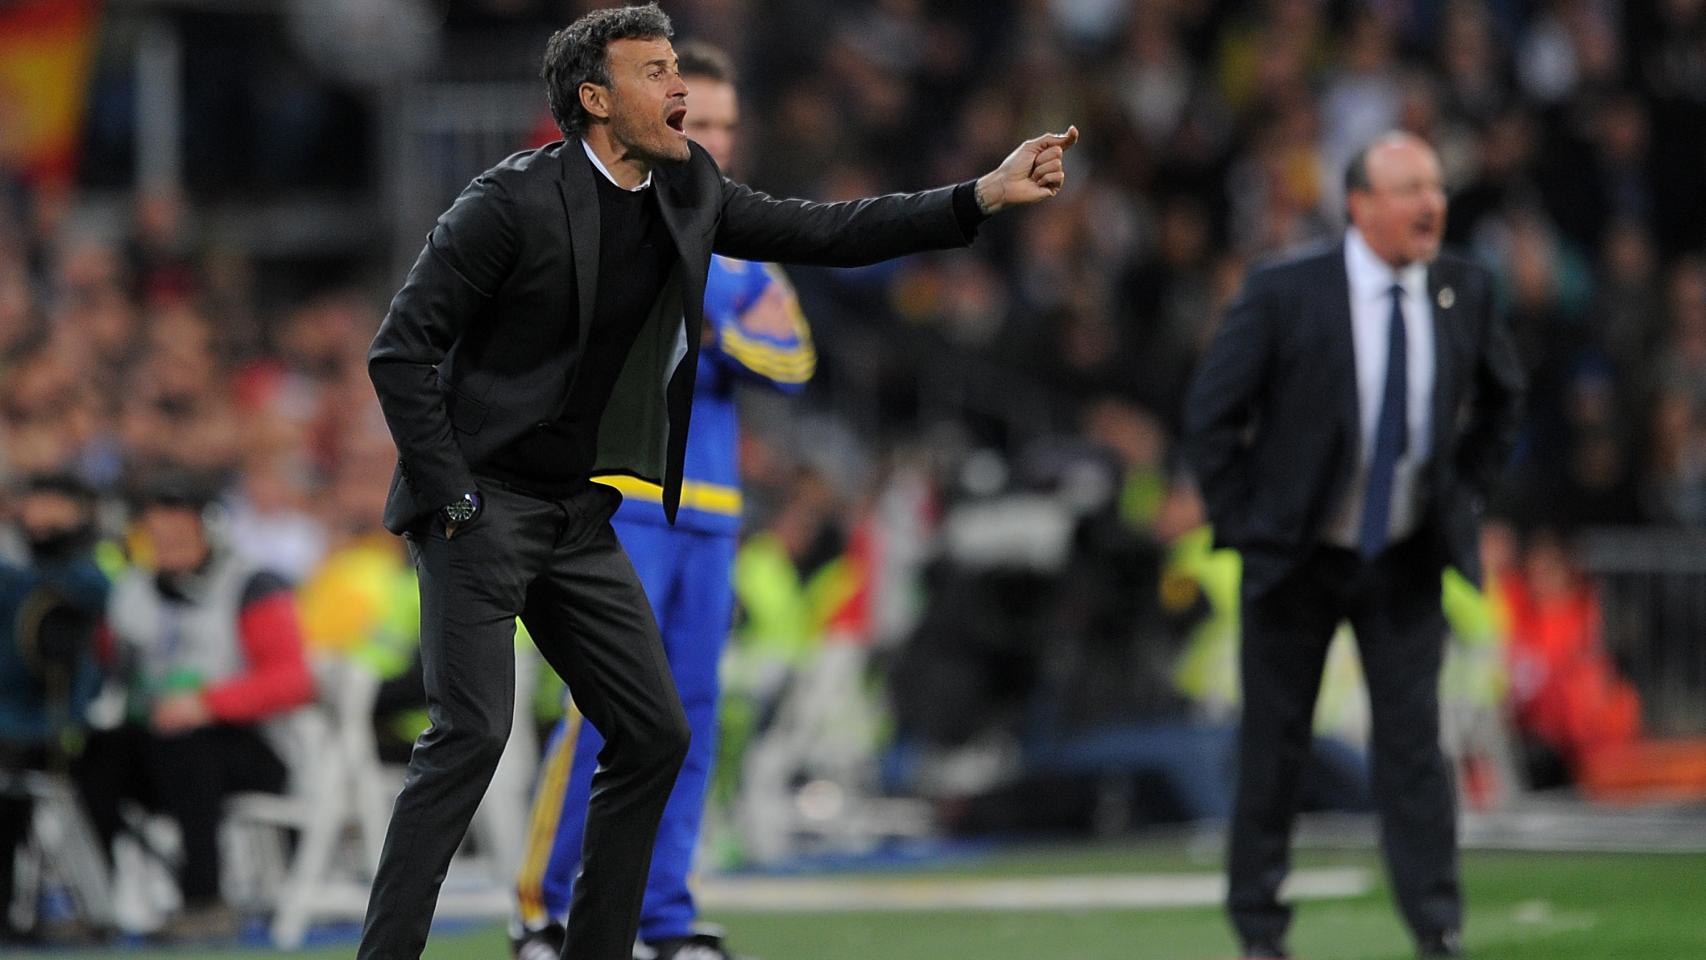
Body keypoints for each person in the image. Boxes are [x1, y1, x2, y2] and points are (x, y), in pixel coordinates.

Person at [359, 4, 1078, 958]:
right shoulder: (506, 202)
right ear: (596, 98)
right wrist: (455, 497)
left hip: (576, 514)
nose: (679, 86)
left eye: (674, 67)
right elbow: (399, 353)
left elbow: (825, 232)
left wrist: (977, 196)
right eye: (654, 71)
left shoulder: (687, 186)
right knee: (471, 739)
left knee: (655, 731)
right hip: (480, 508)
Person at [1184, 131, 1524, 960]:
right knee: (1275, 749)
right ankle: (1260, 932)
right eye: (1409, 188)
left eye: (1436, 186)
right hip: (1299, 559)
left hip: (1403, 555)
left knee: (1413, 751)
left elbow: (1503, 401)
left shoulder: (1463, 290)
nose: (1431, 204)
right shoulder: (1285, 291)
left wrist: (1458, 494)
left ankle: (1436, 928)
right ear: (1360, 204)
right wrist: (1249, 526)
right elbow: (1211, 416)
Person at [508, 39, 810, 960]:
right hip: (621, 499)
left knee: (692, 719)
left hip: (711, 515)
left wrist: (706, 321)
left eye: (723, 123)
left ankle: (660, 913)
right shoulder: (621, 213)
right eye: (696, 119)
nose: (710, 136)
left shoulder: (741, 236)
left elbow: (792, 358)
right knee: (609, 711)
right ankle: (545, 911)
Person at [76, 476, 315, 943]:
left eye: (179, 538)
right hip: (158, 735)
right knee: (95, 756)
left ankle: (205, 898)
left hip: (250, 745)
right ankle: (99, 899)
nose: (167, 549)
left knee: (184, 745)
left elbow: (292, 680)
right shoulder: (131, 591)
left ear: (210, 532)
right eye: (156, 538)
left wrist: (207, 704)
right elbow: (111, 668)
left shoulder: (251, 585)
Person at [0, 474, 109, 944]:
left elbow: (89, 592)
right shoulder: (12, 573)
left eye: (54, 505)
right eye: (35, 503)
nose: (41, 516)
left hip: (55, 720)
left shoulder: (87, 571)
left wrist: (61, 541)